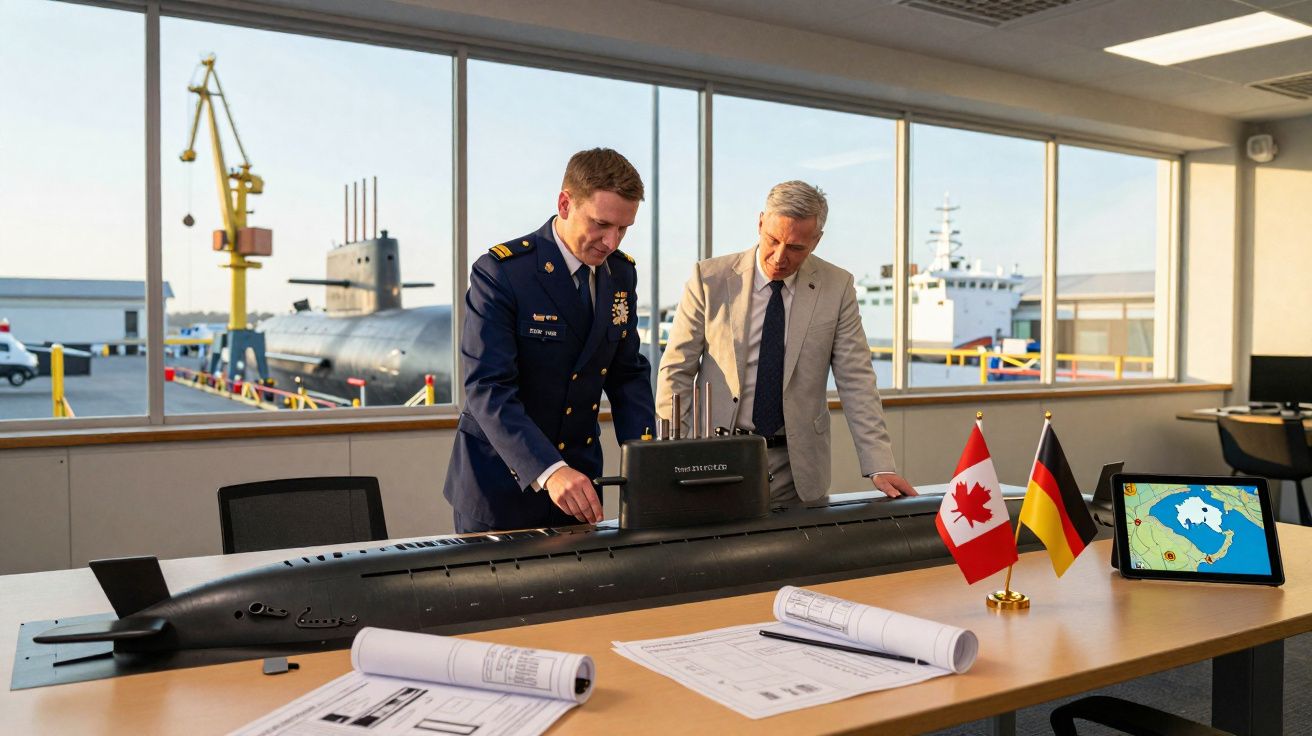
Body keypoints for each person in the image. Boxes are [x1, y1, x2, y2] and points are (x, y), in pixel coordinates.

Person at [656, 180, 915, 506]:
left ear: (816, 241)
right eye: (772, 240)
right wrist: (671, 452)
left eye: (795, 248)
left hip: (798, 466)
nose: (779, 258)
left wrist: (879, 464)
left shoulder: (837, 287)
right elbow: (676, 371)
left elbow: (857, 380)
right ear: (760, 222)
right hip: (717, 456)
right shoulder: (709, 279)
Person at [443, 148, 655, 533]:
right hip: (500, 487)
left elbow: (627, 376)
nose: (611, 242)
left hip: (580, 487)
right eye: (601, 224)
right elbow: (488, 387)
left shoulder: (620, 275)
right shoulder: (503, 273)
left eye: (624, 229)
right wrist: (550, 470)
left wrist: (646, 461)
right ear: (564, 203)